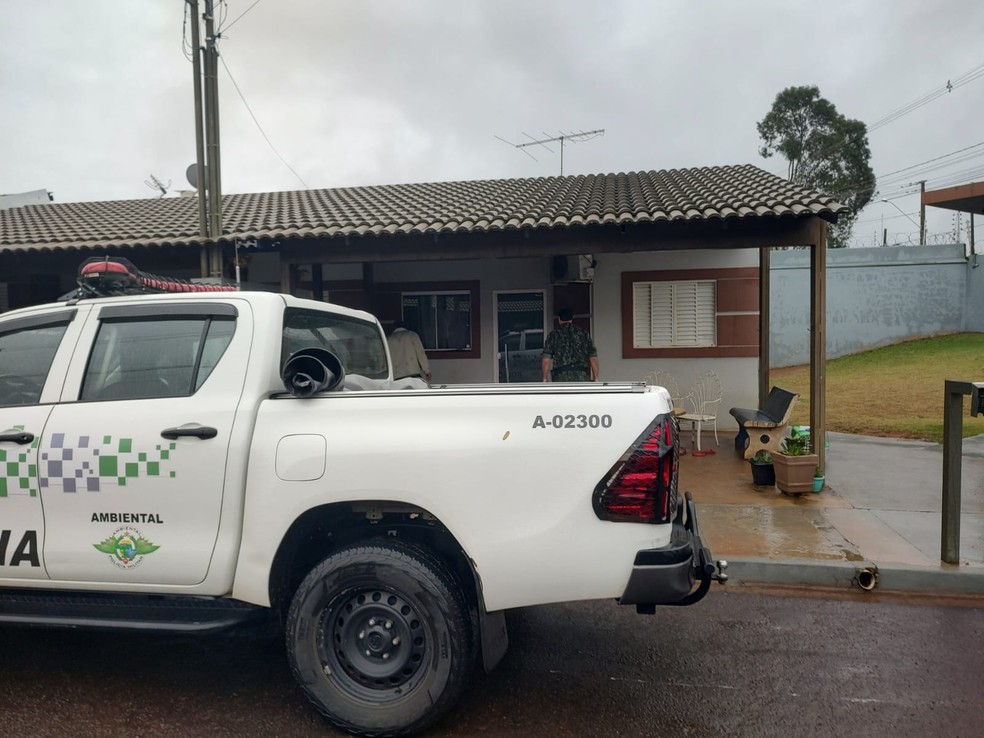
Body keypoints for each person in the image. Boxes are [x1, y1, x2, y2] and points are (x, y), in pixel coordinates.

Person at [541, 307, 599, 382]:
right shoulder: (583, 334)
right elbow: (593, 357)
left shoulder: (553, 335)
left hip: (560, 377)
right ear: (572, 319)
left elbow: (546, 359)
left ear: (559, 319)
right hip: (581, 377)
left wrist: (545, 378)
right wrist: (596, 378)